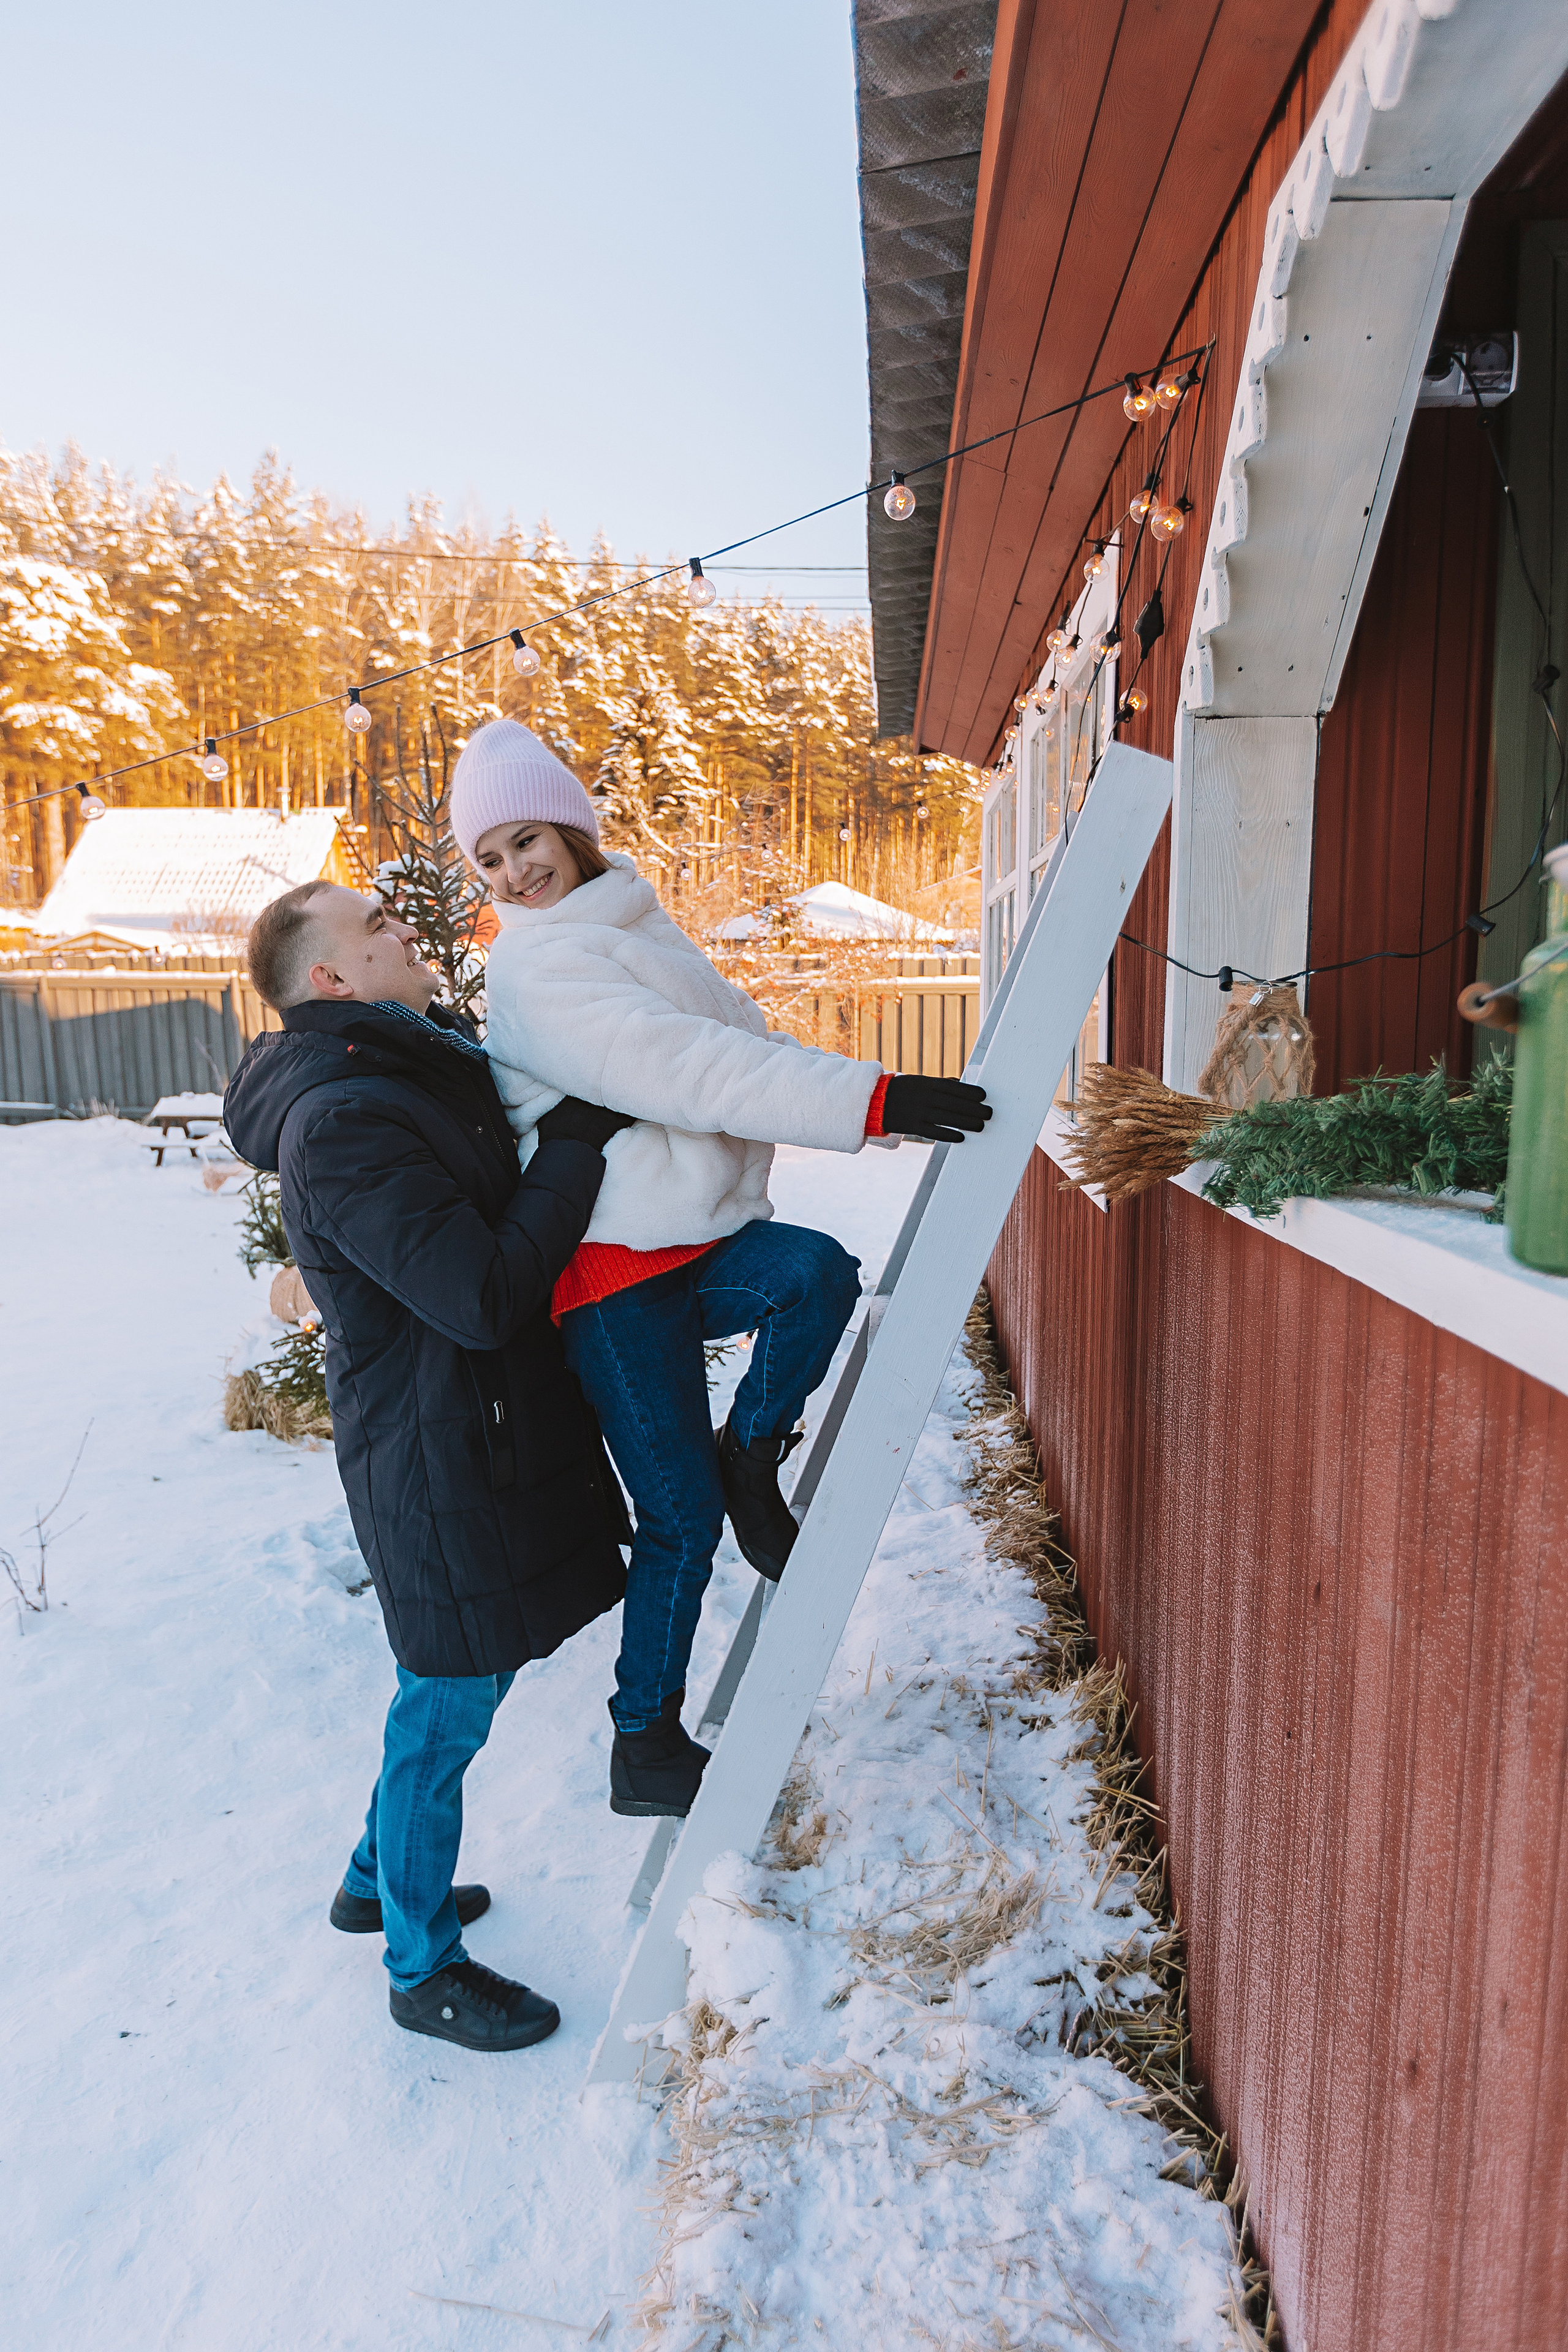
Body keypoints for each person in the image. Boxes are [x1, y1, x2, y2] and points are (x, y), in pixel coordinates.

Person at [448, 718, 992, 1822]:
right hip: (608, 1274)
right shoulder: (539, 963)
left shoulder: (633, 925)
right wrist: (869, 1099)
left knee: (817, 1275)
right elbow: (687, 1068)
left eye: (524, 840)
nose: (514, 872)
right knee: (679, 1522)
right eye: (489, 859)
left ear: (570, 824)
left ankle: (752, 1455)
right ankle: (644, 1738)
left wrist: (870, 1099)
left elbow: (744, 1035)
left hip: (694, 1239)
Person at [224, 878, 636, 2056]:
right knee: (446, 1698)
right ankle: (419, 1966)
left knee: (462, 1678)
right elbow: (481, 1292)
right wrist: (573, 1146)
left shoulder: (400, 1075)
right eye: (377, 929)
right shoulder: (345, 1120)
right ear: (332, 982)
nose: (407, 926)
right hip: (436, 1452)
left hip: (468, 1433)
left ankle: (374, 1879)